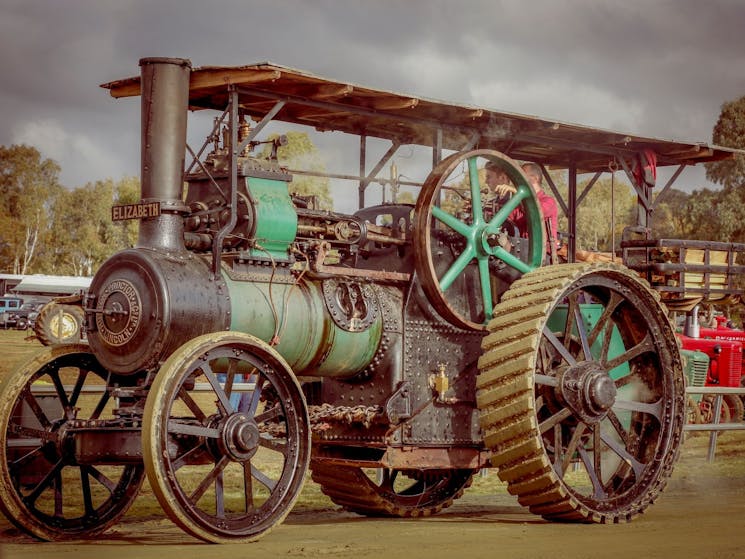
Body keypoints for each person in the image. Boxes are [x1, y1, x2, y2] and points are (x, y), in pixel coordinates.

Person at [483, 161, 559, 252]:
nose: (517, 179)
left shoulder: (548, 202)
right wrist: (481, 210)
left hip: (544, 256)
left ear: (535, 179)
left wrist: (517, 193)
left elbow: (535, 213)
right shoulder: (520, 204)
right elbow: (504, 216)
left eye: (522, 176)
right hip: (525, 253)